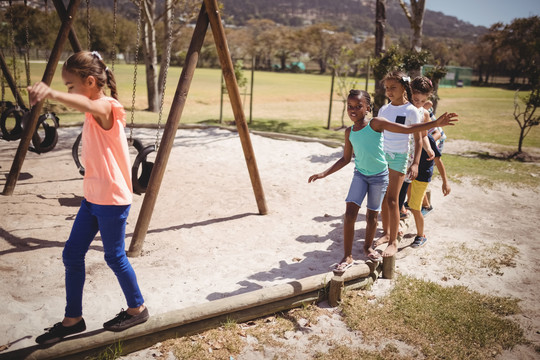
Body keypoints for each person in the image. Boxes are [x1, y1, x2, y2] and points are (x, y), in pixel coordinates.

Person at [28, 51, 149, 345]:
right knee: (71, 254)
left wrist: (52, 93)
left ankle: (137, 309)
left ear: (90, 81)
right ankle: (73, 319)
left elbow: (84, 101)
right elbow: (83, 102)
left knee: (114, 256)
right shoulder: (93, 107)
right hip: (93, 197)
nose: (68, 91)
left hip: (112, 199)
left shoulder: (106, 106)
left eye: (70, 85)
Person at [308, 89, 457, 272]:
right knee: (350, 213)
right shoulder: (349, 132)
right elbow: (345, 159)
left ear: (368, 108)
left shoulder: (376, 123)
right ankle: (347, 256)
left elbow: (407, 129)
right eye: (350, 106)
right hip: (360, 175)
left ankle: (368, 247)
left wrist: (435, 123)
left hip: (379, 177)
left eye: (358, 106)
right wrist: (324, 173)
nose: (353, 110)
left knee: (372, 216)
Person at [375, 71, 426, 257]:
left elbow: (418, 139)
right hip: (382, 157)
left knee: (393, 200)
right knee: (382, 198)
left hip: (400, 157)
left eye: (393, 87)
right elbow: (379, 135)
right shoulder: (383, 110)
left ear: (404, 87)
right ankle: (386, 232)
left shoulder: (411, 110)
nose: (389, 91)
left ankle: (393, 241)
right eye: (387, 88)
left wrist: (415, 164)